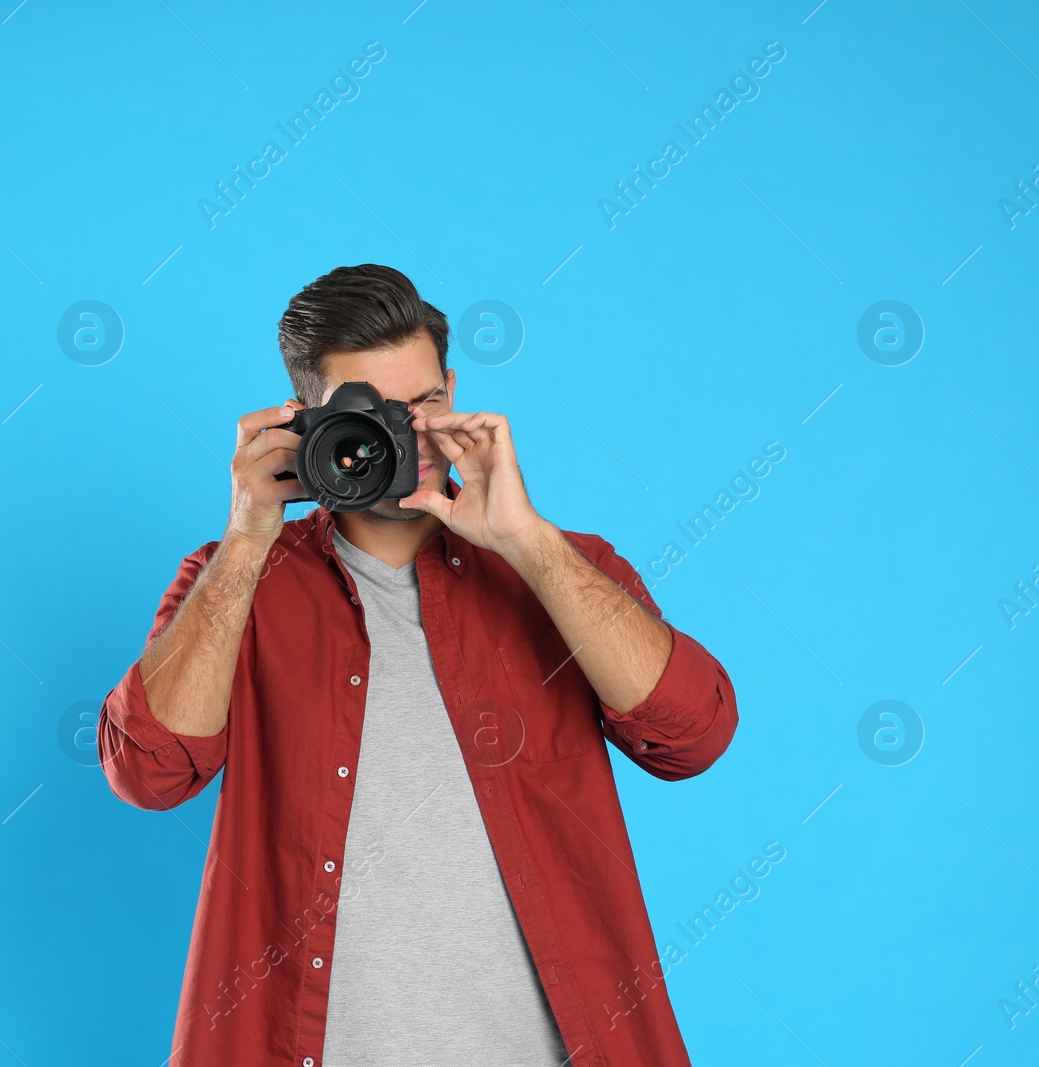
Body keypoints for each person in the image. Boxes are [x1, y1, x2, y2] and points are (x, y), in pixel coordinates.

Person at [98, 264, 738, 1066]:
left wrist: (528, 541)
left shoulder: (565, 566)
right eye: (371, 412)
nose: (408, 434)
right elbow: (149, 773)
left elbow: (696, 735)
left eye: (427, 402)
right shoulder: (229, 581)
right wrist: (248, 533)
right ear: (307, 422)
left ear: (455, 390)